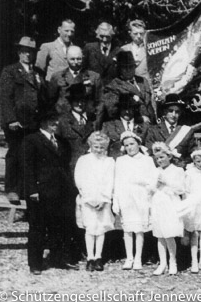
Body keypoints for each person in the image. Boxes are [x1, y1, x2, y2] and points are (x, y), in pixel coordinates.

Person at [22, 110, 79, 274]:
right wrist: (32, 189)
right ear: (43, 123)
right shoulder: (31, 140)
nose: (56, 124)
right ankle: (35, 263)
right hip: (40, 192)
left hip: (60, 192)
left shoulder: (61, 142)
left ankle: (58, 258)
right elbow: (27, 167)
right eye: (52, 121)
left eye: (56, 121)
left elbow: (65, 166)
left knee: (59, 226)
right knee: (38, 227)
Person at [0, 36, 49, 204]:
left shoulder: (38, 73)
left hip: (34, 122)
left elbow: (42, 97)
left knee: (29, 155)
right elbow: (5, 98)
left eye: (31, 52)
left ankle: (27, 189)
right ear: (19, 52)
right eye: (25, 51)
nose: (28, 55)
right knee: (14, 153)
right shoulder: (10, 71)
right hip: (17, 122)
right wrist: (11, 120)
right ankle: (12, 189)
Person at [112, 131, 158, 270]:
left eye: (132, 144)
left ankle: (138, 258)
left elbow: (152, 179)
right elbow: (117, 181)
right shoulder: (120, 161)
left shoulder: (147, 160)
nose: (130, 147)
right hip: (126, 196)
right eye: (126, 145)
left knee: (139, 229)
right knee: (127, 229)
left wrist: (148, 192)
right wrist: (116, 200)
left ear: (138, 144)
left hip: (141, 196)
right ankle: (129, 257)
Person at [74, 131, 115, 272]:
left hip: (103, 200)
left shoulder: (109, 161)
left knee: (101, 228)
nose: (99, 150)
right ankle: (90, 257)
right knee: (90, 228)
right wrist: (88, 199)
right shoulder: (83, 160)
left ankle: (98, 257)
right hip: (88, 199)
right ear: (91, 145)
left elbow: (110, 181)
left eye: (102, 147)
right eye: (96, 147)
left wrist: (104, 199)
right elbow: (79, 179)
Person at [150, 142, 185, 275]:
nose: (159, 160)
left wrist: (166, 182)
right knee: (160, 236)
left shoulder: (177, 170)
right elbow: (150, 189)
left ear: (169, 156)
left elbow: (181, 189)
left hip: (170, 204)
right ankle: (162, 263)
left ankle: (172, 262)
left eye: (162, 157)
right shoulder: (155, 171)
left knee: (169, 234)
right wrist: (154, 185)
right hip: (158, 203)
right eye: (157, 158)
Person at [49, 45, 103, 125]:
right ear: (66, 58)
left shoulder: (94, 77)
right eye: (72, 59)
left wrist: (96, 123)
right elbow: (51, 101)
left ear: (83, 58)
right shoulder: (57, 77)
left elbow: (100, 102)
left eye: (78, 59)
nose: (75, 62)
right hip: (64, 121)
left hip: (87, 121)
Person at [101, 51, 155, 124]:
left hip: (152, 125)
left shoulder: (143, 81)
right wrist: (139, 119)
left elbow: (150, 104)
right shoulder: (113, 86)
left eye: (131, 66)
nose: (128, 70)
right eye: (125, 67)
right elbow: (113, 112)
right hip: (133, 126)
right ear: (119, 69)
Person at [144, 93, 195, 163]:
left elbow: (192, 154)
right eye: (170, 111)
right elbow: (149, 152)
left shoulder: (186, 131)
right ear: (165, 112)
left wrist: (182, 164)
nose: (173, 115)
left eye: (177, 112)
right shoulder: (153, 130)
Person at [57, 83, 95, 173]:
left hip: (92, 168)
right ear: (70, 102)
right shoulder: (62, 121)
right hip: (71, 169)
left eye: (83, 100)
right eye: (76, 101)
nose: (80, 104)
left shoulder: (94, 119)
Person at [102, 93, 149, 159]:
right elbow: (103, 147)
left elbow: (148, 147)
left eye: (130, 108)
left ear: (135, 109)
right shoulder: (108, 126)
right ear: (119, 109)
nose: (127, 112)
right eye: (124, 108)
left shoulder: (144, 125)